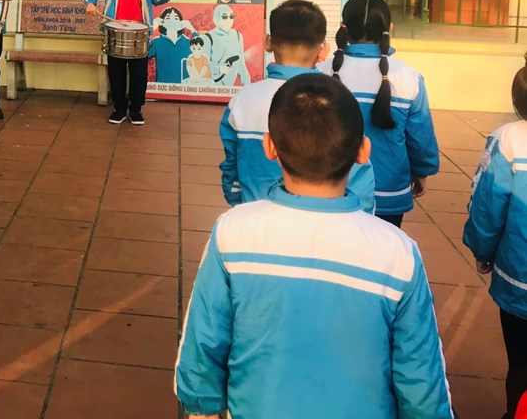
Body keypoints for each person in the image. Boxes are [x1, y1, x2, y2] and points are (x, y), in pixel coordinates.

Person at [175, 73, 453, 419]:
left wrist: (201, 405)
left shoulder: (233, 232)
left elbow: (204, 336)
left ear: (270, 147)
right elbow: (421, 373)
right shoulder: (398, 252)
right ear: (363, 151)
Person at [218, 0, 375, 212]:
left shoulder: (243, 100)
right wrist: (361, 217)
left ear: (268, 42)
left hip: (257, 217)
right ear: (323, 49)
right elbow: (359, 177)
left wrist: (239, 202)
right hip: (327, 223)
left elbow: (232, 163)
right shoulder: (338, 102)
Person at [319, 0, 438, 226]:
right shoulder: (409, 77)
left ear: (343, 27)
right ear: (389, 28)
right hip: (389, 192)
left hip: (331, 188)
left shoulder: (321, 72)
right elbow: (420, 137)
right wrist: (422, 171)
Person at [463, 56, 527, 419]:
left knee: (520, 363)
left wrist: (482, 252)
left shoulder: (509, 140)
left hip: (520, 281)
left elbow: (487, 206)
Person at [85, 0, 174, 125]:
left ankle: (136, 109)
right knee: (116, 71)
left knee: (138, 73)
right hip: (115, 28)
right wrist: (90, 3)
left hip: (140, 30)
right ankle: (119, 108)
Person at [203, 3, 251, 87]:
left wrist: (247, 84)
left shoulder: (237, 36)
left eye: (231, 17)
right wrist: (219, 69)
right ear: (216, 19)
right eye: (224, 17)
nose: (229, 20)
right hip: (212, 86)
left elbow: (241, 63)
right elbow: (204, 63)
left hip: (229, 87)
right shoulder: (208, 37)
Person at [148, 6, 194, 84]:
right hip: (163, 87)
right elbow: (142, 54)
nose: (172, 21)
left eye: (176, 18)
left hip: (185, 87)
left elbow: (202, 51)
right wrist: (151, 29)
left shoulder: (187, 42)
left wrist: (192, 29)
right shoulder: (156, 42)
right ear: (162, 22)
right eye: (168, 18)